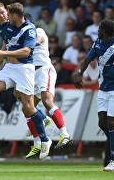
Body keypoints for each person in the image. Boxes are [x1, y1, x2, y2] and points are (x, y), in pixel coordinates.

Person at [0, 2, 52, 159]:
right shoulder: (2, 27)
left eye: (3, 13)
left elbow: (27, 51)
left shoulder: (28, 29)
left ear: (9, 13)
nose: (2, 16)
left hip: (24, 69)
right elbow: (8, 43)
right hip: (9, 68)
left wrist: (2, 53)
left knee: (28, 106)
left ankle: (45, 139)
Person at [73, 19, 114, 171]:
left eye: (99, 29)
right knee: (102, 123)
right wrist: (78, 73)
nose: (97, 31)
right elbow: (86, 60)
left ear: (104, 31)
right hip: (103, 88)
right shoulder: (98, 42)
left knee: (112, 122)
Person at [24, 27, 72, 159]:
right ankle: (37, 142)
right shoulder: (21, 35)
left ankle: (65, 134)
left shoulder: (37, 30)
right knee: (26, 107)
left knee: (47, 101)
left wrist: (20, 44)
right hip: (32, 74)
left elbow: (38, 41)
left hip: (44, 70)